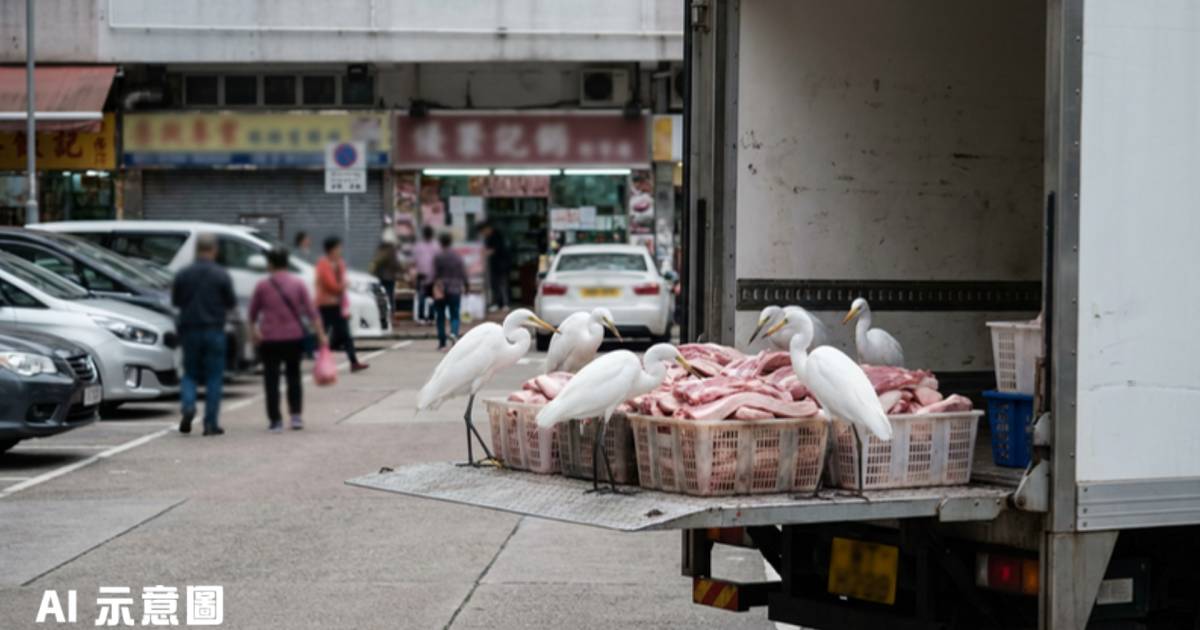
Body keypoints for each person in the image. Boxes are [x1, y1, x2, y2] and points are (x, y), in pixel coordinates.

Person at [248, 246, 328, 432]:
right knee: (294, 376)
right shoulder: (298, 284)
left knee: (271, 380)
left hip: (269, 339)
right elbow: (311, 312)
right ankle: (296, 417)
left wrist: (254, 332)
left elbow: (252, 314)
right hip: (294, 337)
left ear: (271, 264)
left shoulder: (263, 285)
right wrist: (321, 334)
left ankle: (275, 420)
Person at [172, 233, 236, 436]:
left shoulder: (183, 274)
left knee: (189, 373)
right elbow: (231, 303)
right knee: (214, 377)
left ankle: (189, 406)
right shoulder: (221, 274)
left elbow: (176, 301)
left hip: (190, 329)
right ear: (214, 249)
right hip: (214, 330)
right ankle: (210, 423)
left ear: (197, 249)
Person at [315, 236, 369, 372]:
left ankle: (353, 362)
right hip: (326, 305)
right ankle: (319, 358)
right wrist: (342, 285)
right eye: (338, 247)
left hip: (337, 304)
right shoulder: (323, 264)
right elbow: (331, 285)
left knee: (344, 334)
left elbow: (341, 284)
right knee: (325, 333)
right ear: (331, 249)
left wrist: (345, 304)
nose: (340, 250)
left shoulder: (339, 263)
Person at [431, 232, 467, 351]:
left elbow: (434, 274)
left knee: (440, 317)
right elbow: (463, 272)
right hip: (455, 288)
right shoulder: (457, 257)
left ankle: (442, 342)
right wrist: (466, 285)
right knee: (455, 315)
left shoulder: (438, 256)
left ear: (441, 243)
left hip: (441, 289)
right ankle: (454, 334)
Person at [479, 222, 511, 312]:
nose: (483, 234)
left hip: (502, 264)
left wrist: (486, 253)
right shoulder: (488, 237)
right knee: (495, 285)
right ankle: (497, 303)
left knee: (503, 284)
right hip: (494, 265)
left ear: (487, 228)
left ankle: (506, 304)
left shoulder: (497, 235)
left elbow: (496, 249)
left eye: (483, 231)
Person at [410, 225, 440, 323]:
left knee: (422, 297)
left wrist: (413, 275)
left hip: (422, 275)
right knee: (431, 298)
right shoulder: (436, 246)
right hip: (432, 275)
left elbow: (413, 262)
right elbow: (438, 261)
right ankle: (431, 317)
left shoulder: (418, 246)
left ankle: (422, 317)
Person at [370, 240, 400, 317]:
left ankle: (382, 313)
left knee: (381, 295)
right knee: (389, 295)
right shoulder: (391, 250)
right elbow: (395, 263)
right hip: (389, 277)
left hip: (380, 276)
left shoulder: (379, 249)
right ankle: (390, 314)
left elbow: (375, 262)